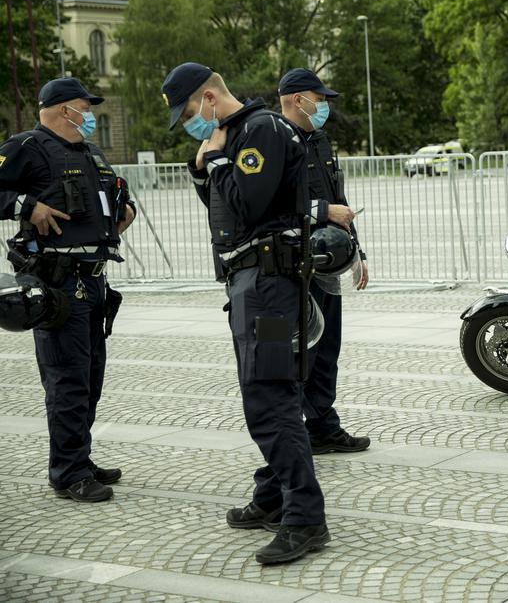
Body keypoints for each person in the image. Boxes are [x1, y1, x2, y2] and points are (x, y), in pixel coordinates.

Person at [163, 62, 328, 564]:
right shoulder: (237, 136)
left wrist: (215, 161)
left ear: (210, 99)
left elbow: (250, 205)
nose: (191, 123)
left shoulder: (259, 131)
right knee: (270, 393)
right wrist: (204, 170)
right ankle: (274, 497)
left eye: (190, 112)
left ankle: (305, 518)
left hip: (270, 287)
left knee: (270, 398)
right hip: (252, 283)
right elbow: (224, 206)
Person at [0, 77, 135, 502]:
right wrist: (28, 206)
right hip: (59, 282)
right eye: (84, 107)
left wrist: (124, 210)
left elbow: (117, 196)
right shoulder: (27, 146)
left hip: (94, 280)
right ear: (62, 109)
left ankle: (80, 456)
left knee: (90, 377)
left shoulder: (90, 153)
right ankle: (68, 471)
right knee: (67, 380)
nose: (90, 114)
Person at [277, 68, 371, 455]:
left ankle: (322, 427)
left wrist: (356, 252)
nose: (326, 106)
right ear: (298, 100)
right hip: (292, 264)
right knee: (299, 351)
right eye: (320, 98)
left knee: (327, 346)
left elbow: (340, 201)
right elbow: (269, 202)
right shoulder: (275, 141)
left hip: (327, 263)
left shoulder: (320, 140)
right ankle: (289, 431)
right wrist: (321, 211)